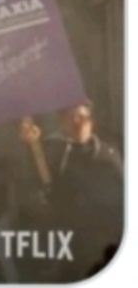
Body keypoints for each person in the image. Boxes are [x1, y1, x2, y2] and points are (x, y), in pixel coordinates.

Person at [19, 101, 123, 282]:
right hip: (67, 240)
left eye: (82, 117)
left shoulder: (108, 154)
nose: (77, 122)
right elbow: (37, 180)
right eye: (71, 118)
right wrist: (32, 147)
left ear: (91, 122)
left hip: (103, 240)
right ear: (62, 123)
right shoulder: (54, 152)